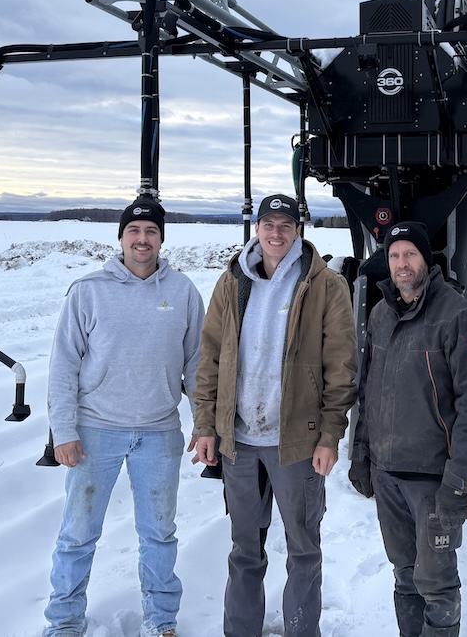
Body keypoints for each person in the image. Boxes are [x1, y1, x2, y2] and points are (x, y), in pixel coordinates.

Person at [190, 193, 358, 637]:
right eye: (269, 224)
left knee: (303, 549)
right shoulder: (232, 282)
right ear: (257, 229)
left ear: (298, 230)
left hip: (297, 442)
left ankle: (302, 631)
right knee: (245, 549)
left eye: (286, 225)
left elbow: (341, 365)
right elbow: (209, 358)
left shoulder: (324, 284)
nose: (277, 233)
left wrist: (329, 435)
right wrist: (207, 425)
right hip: (239, 442)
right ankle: (240, 630)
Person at [43, 198, 203, 637]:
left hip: (160, 433)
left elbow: (198, 366)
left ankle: (161, 620)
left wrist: (205, 423)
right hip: (96, 431)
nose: (142, 239)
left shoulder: (183, 291)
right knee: (78, 535)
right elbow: (63, 366)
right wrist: (64, 430)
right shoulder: (88, 290)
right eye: (134, 231)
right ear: (121, 237)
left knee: (159, 535)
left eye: (151, 231)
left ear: (161, 238)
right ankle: (64, 620)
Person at [348, 221, 467, 637]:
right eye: (394, 255)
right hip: (388, 475)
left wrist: (458, 482)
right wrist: (362, 454)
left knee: (437, 584)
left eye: (409, 254)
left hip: (432, 481)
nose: (401, 263)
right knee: (404, 575)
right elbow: (369, 391)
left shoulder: (457, 316)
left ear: (426, 259)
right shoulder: (381, 314)